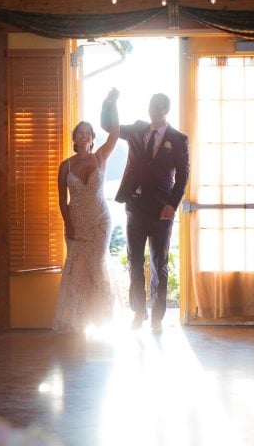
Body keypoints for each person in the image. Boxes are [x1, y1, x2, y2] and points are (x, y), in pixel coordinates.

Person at [101, 92, 189, 333]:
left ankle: (157, 317)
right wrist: (109, 104)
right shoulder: (138, 130)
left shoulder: (178, 140)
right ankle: (139, 311)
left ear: (166, 110)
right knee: (135, 260)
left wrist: (172, 204)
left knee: (159, 262)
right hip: (136, 206)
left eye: (159, 107)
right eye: (151, 106)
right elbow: (110, 126)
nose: (154, 110)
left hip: (162, 209)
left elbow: (182, 178)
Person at [52, 89, 120, 333]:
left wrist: (112, 105)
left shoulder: (100, 157)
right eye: (79, 133)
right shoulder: (65, 166)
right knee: (77, 270)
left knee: (97, 264)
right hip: (76, 222)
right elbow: (61, 199)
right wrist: (68, 224)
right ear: (75, 137)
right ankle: (79, 321)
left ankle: (104, 320)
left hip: (100, 220)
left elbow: (115, 133)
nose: (83, 136)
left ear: (92, 138)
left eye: (87, 133)